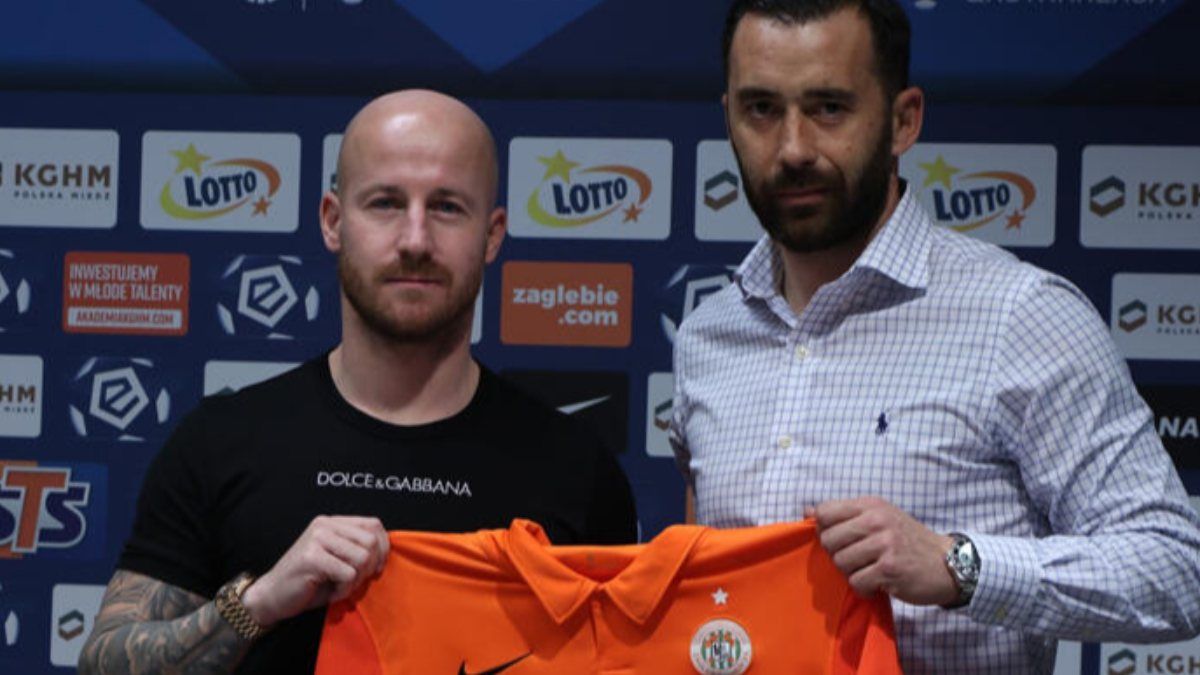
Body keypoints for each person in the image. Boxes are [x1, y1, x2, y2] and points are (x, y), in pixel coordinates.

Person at [669, 0, 1200, 671]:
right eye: (762, 110)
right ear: (728, 119)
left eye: (829, 107)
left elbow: (1175, 569)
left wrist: (960, 566)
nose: (793, 147)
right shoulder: (707, 336)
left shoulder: (1022, 316)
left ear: (903, 120)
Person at [79, 90, 637, 674]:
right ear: (333, 221)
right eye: (385, 203)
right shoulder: (221, 443)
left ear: (492, 235)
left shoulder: (576, 469)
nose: (415, 240)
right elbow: (101, 664)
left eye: (447, 207)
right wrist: (260, 602)